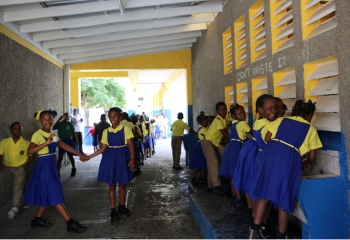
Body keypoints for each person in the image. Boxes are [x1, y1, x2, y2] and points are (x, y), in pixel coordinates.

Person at [249, 100, 322, 239]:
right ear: (310, 115)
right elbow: (312, 156)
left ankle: (255, 230)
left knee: (264, 193)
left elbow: (267, 137)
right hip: (289, 158)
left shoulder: (282, 120)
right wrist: (307, 162)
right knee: (284, 196)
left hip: (269, 153)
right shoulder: (310, 129)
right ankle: (282, 235)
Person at [24, 110, 88, 233]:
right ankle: (70, 223)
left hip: (51, 166)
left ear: (52, 120)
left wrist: (79, 153)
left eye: (49, 119)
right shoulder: (37, 135)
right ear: (40, 121)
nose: (47, 121)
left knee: (49, 194)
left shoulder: (53, 135)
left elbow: (65, 146)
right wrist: (45, 143)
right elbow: (30, 151)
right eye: (44, 119)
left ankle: (37, 220)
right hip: (44, 167)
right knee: (55, 194)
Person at [233, 94, 276, 226]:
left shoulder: (258, 122)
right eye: (270, 108)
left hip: (252, 155)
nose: (273, 111)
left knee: (254, 189)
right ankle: (258, 224)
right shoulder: (269, 125)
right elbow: (269, 141)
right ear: (260, 110)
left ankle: (255, 220)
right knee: (261, 193)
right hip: (259, 158)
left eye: (275, 108)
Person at [87, 107, 135, 221]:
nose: (112, 118)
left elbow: (130, 144)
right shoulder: (106, 132)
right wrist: (89, 156)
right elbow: (103, 148)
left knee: (122, 183)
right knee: (112, 185)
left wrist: (132, 158)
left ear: (120, 117)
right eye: (110, 116)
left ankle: (122, 206)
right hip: (110, 158)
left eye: (115, 115)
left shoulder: (126, 128)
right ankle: (113, 210)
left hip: (122, 157)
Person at [219, 104, 253, 206]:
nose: (243, 116)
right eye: (240, 114)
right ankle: (239, 199)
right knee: (236, 174)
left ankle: (234, 196)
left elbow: (240, 136)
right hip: (237, 148)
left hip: (230, 147)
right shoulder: (243, 124)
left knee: (232, 175)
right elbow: (253, 133)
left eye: (243, 113)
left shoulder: (233, 124)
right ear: (233, 116)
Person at [0, 122, 35, 219]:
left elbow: (32, 155)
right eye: (15, 128)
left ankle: (15, 207)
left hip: (20, 168)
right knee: (21, 184)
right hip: (8, 167)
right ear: (11, 130)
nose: (18, 130)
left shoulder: (26, 143)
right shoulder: (4, 142)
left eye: (19, 128)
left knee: (17, 186)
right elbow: (0, 154)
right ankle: (27, 195)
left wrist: (25, 165)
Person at [201, 102, 229, 195]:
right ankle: (217, 185)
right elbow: (225, 134)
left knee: (211, 165)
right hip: (208, 142)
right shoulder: (218, 120)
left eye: (225, 109)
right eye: (221, 110)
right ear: (217, 111)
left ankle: (210, 186)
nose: (223, 111)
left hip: (212, 143)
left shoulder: (222, 120)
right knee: (214, 163)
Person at [53, 113, 78, 177]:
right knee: (60, 157)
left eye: (67, 116)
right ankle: (58, 172)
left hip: (69, 141)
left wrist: (76, 140)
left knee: (70, 156)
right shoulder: (59, 124)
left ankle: (73, 168)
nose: (66, 117)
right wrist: (59, 119)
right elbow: (53, 128)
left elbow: (73, 133)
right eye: (65, 115)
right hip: (61, 141)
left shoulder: (69, 124)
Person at [189, 113, 209, 184]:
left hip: (198, 146)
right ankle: (194, 178)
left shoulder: (201, 128)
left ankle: (198, 177)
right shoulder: (204, 130)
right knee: (198, 163)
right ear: (201, 122)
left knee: (198, 163)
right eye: (206, 122)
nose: (207, 124)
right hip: (200, 147)